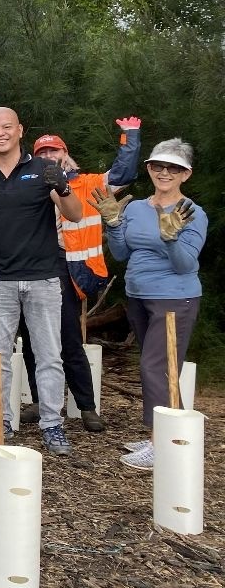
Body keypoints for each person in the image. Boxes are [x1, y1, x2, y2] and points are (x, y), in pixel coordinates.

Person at [0, 107, 82, 455]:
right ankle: (0, 421)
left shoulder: (43, 170)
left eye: (6, 127)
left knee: (49, 355)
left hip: (42, 279)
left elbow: (75, 214)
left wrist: (63, 188)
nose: (0, 133)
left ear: (20, 130)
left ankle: (52, 425)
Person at [10, 119, 142, 433]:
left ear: (65, 153)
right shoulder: (28, 184)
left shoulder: (88, 183)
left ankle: (86, 407)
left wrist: (130, 136)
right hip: (32, 267)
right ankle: (41, 401)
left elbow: (123, 173)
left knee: (68, 339)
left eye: (54, 150)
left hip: (69, 268)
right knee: (30, 339)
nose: (49, 156)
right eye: (42, 152)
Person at [97, 139, 206, 469]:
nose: (164, 172)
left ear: (185, 174)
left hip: (175, 297)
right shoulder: (135, 208)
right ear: (148, 169)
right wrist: (113, 225)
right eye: (158, 166)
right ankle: (167, 436)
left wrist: (171, 238)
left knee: (158, 368)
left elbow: (186, 264)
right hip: (138, 296)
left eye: (173, 168)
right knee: (156, 368)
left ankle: (164, 446)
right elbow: (121, 254)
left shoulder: (192, 213)